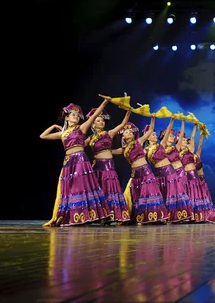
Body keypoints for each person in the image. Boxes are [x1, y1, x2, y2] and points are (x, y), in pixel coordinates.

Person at [40, 97, 111, 227]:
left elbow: (94, 115)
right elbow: (42, 136)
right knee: (69, 189)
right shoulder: (63, 133)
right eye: (73, 115)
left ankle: (86, 215)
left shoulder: (81, 128)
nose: (76, 117)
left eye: (77, 116)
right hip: (68, 163)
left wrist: (105, 102)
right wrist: (55, 126)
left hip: (80, 160)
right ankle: (74, 215)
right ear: (67, 118)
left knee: (81, 187)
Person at [115, 116, 169, 224]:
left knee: (150, 193)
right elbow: (108, 152)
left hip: (146, 171)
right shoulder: (123, 149)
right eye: (126, 132)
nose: (129, 133)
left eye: (131, 131)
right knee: (138, 195)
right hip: (135, 174)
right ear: (122, 136)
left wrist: (152, 119)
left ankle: (154, 216)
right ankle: (141, 216)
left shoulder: (138, 142)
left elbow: (149, 130)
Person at [85, 107, 131, 223]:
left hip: (109, 167)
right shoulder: (90, 138)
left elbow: (122, 124)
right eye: (98, 120)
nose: (102, 122)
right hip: (97, 167)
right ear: (93, 123)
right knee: (99, 190)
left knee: (110, 189)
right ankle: (99, 216)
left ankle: (112, 215)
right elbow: (77, 145)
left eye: (103, 120)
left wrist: (128, 111)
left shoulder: (109, 133)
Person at [144, 115, 193, 223]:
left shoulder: (161, 145)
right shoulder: (145, 150)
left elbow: (170, 136)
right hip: (159, 174)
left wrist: (172, 120)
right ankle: (164, 216)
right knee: (164, 195)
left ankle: (177, 216)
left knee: (174, 194)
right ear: (147, 137)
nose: (155, 135)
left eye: (155, 134)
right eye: (152, 134)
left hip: (170, 172)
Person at [177, 124, 212, 222]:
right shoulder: (177, 154)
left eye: (185, 140)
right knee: (189, 195)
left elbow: (192, 137)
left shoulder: (190, 151)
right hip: (185, 176)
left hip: (194, 175)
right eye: (182, 140)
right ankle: (190, 215)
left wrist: (195, 126)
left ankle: (199, 216)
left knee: (196, 194)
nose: (184, 141)